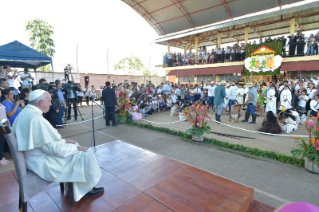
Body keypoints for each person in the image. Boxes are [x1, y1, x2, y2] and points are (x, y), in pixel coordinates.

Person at [12, 89, 104, 202]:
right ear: (41, 103)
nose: (51, 104)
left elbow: (42, 142)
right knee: (84, 153)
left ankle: (77, 187)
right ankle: (85, 189)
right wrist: (75, 148)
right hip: (41, 163)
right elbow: (53, 149)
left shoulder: (25, 113)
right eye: (50, 101)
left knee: (75, 148)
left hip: (32, 159)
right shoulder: (36, 119)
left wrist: (63, 141)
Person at [0, 90, 10, 166]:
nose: (0, 93)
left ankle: (2, 156)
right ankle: (1, 158)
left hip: (4, 123)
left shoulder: (1, 102)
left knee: (4, 140)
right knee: (0, 141)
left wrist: (7, 121)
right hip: (2, 124)